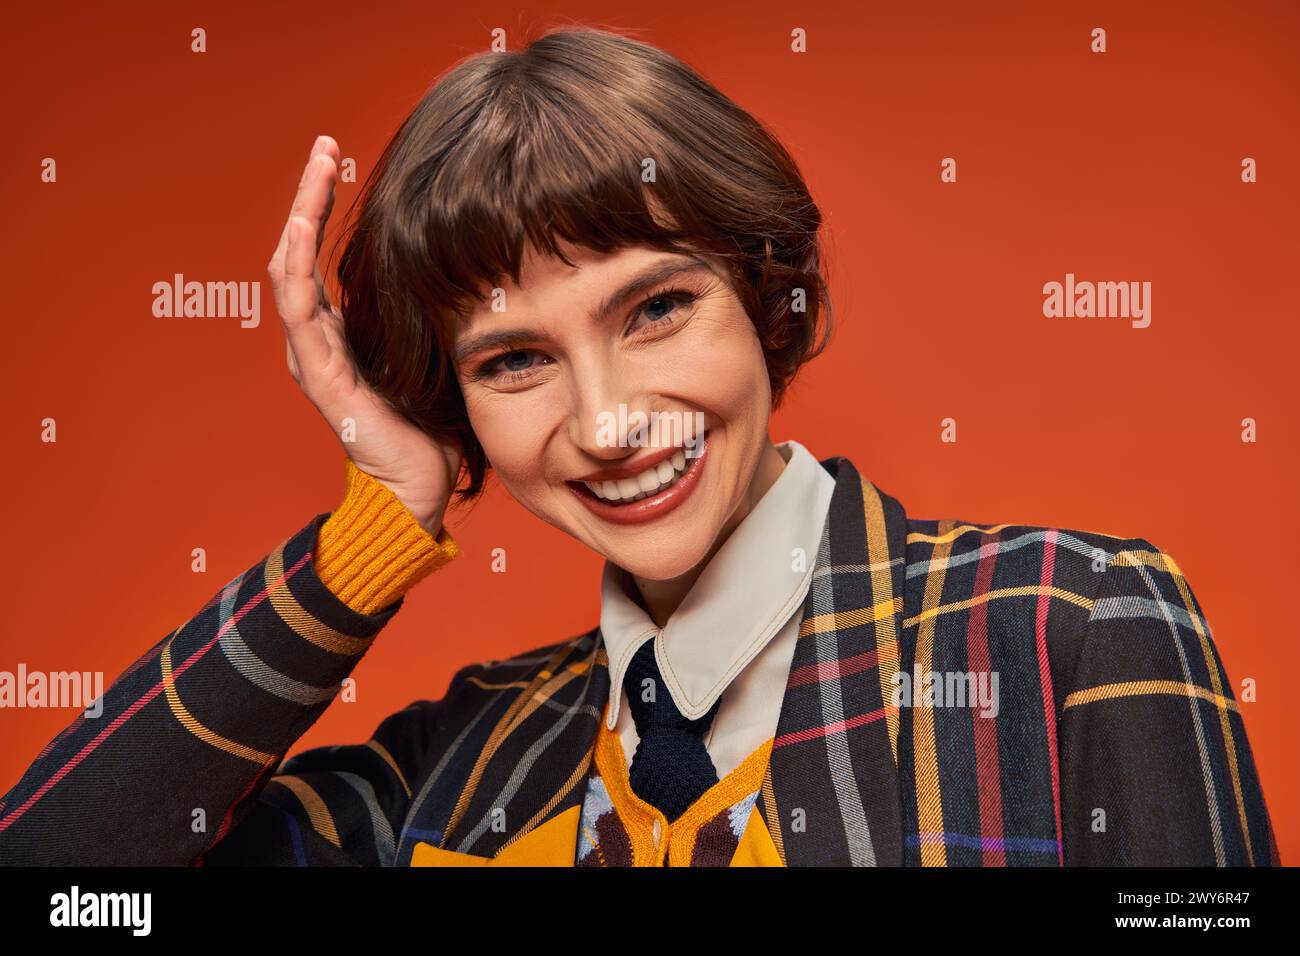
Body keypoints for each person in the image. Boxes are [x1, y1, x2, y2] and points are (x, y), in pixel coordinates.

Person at [0, 27, 1279, 867]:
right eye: (512, 361)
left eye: (657, 307)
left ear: (766, 296)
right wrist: (372, 530)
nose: (608, 421)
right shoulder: (463, 755)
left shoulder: (1071, 627)